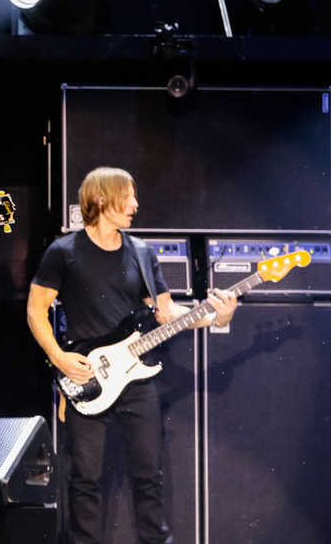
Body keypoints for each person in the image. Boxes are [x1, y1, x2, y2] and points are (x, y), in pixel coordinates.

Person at [26, 167, 238, 544]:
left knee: (148, 476)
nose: (136, 204)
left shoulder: (141, 252)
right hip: (86, 377)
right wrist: (59, 357)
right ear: (101, 198)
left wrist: (215, 317)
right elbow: (35, 310)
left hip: (138, 382)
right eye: (128, 196)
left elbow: (166, 313)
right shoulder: (63, 252)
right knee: (84, 480)